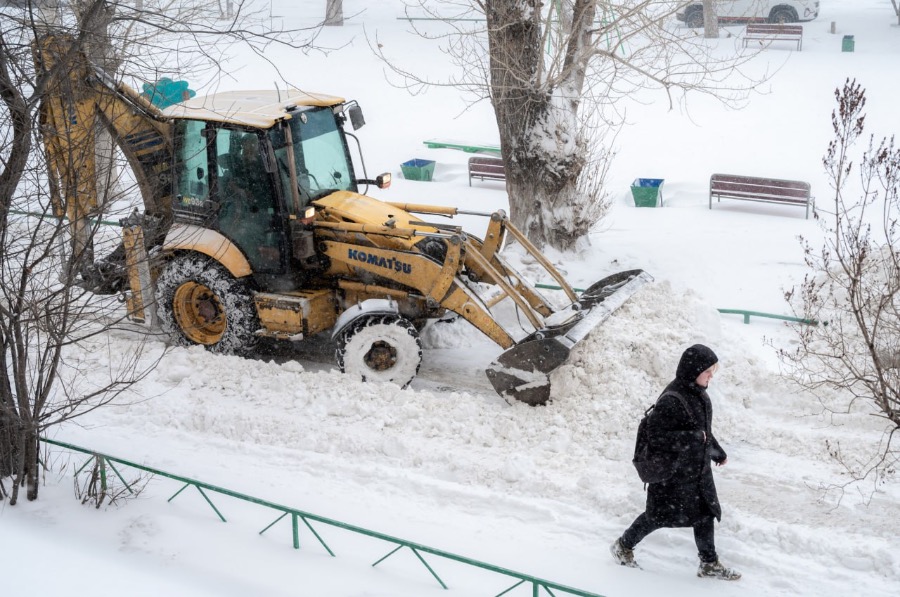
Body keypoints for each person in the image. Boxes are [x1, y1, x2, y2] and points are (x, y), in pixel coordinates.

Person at [610, 344, 741, 581]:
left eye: (713, 371)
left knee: (705, 514)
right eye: (708, 371)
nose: (711, 376)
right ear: (693, 371)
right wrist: (692, 439)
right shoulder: (672, 400)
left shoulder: (698, 394)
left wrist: (716, 452)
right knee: (657, 516)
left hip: (696, 472)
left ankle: (709, 564)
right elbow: (656, 436)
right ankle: (623, 545)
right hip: (674, 476)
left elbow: (702, 432)